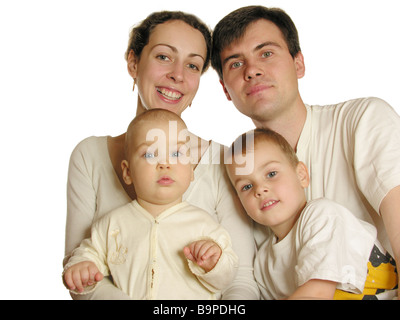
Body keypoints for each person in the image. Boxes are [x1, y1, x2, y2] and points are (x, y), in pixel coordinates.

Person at [64, 11, 258, 300]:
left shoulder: (225, 161)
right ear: (133, 62)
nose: (178, 75)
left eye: (192, 65)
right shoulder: (88, 155)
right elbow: (81, 273)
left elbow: (239, 279)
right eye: (164, 57)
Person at [212, 5, 400, 296]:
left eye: (266, 53)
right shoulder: (235, 173)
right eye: (236, 64)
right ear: (226, 89)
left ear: (298, 63)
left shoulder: (362, 120)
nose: (252, 70)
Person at [63, 109, 238, 299]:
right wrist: (82, 267)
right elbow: (88, 254)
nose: (164, 163)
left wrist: (215, 263)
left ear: (191, 170)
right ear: (127, 172)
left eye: (176, 153)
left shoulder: (205, 225)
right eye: (149, 155)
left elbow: (228, 277)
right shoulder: (111, 225)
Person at [226, 128, 398, 300]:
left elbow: (317, 294)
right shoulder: (263, 265)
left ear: (301, 175)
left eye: (271, 174)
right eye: (246, 186)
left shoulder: (322, 216)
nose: (260, 189)